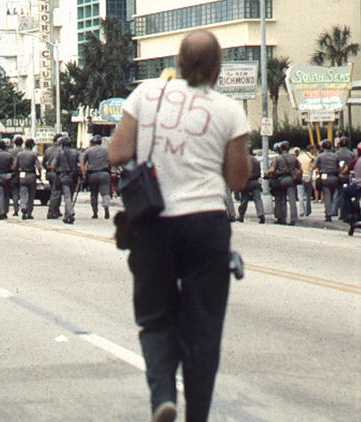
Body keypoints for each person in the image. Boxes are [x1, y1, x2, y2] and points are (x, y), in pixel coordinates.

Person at [108, 30, 250, 422]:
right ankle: (197, 416)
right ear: (218, 68)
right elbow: (238, 179)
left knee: (154, 318)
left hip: (153, 223)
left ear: (178, 62)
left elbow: (117, 152)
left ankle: (163, 397)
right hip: (206, 223)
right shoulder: (228, 110)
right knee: (204, 328)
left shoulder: (145, 94)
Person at [266, 141, 299, 225]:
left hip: (281, 180)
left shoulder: (277, 158)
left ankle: (282, 218)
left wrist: (267, 174)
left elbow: (272, 170)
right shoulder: (294, 158)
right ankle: (293, 219)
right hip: (291, 179)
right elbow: (300, 169)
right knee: (292, 200)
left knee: (281, 199)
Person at [81, 134, 112, 219]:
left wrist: (84, 174)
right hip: (104, 173)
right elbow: (111, 161)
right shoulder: (106, 150)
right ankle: (106, 207)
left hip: (92, 174)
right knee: (105, 193)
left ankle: (95, 212)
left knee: (94, 194)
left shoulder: (88, 151)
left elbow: (82, 163)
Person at [50, 136, 79, 224]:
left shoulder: (59, 153)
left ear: (62, 145)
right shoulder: (76, 153)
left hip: (63, 176)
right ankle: (67, 216)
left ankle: (70, 212)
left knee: (66, 196)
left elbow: (52, 166)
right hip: (73, 177)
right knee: (70, 196)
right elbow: (81, 165)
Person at [312, 139, 340, 222]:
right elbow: (339, 167)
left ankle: (328, 214)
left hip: (324, 176)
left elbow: (313, 166)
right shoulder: (335, 156)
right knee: (332, 195)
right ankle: (332, 209)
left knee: (326, 195)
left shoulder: (320, 156)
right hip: (334, 177)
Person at [236, 147, 265, 223]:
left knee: (244, 199)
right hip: (255, 182)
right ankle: (261, 214)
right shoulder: (256, 161)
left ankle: (241, 216)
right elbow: (259, 173)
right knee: (257, 199)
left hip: (246, 182)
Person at [16, 138, 41, 220]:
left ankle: (23, 206)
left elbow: (15, 166)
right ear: (32, 145)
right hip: (31, 174)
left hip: (22, 174)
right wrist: (39, 174)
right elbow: (38, 166)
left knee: (23, 193)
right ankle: (29, 212)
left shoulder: (19, 154)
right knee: (31, 195)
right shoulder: (34, 154)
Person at [340, 142, 361, 234]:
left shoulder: (356, 161)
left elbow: (345, 171)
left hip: (358, 186)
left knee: (345, 191)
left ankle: (348, 215)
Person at [43, 134, 63, 219]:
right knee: (56, 193)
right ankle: (51, 211)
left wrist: (47, 168)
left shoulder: (48, 150)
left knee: (54, 191)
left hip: (49, 173)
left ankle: (56, 210)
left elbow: (44, 162)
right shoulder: (61, 151)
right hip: (57, 173)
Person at [334, 136, 355, 216]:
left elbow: (335, 164)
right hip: (349, 175)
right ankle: (348, 211)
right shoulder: (351, 153)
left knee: (339, 193)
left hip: (339, 175)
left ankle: (339, 211)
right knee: (349, 194)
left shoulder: (336, 154)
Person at [297, 144, 316, 217]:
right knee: (308, 195)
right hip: (308, 176)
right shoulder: (312, 158)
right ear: (311, 150)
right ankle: (308, 211)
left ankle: (301, 210)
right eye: (314, 149)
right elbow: (311, 168)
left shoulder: (299, 157)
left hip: (300, 176)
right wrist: (309, 177)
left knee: (300, 195)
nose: (315, 151)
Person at [9, 136, 24, 216]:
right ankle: (24, 207)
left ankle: (15, 210)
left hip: (14, 174)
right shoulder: (24, 151)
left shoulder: (10, 152)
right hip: (23, 173)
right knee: (24, 192)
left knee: (15, 193)